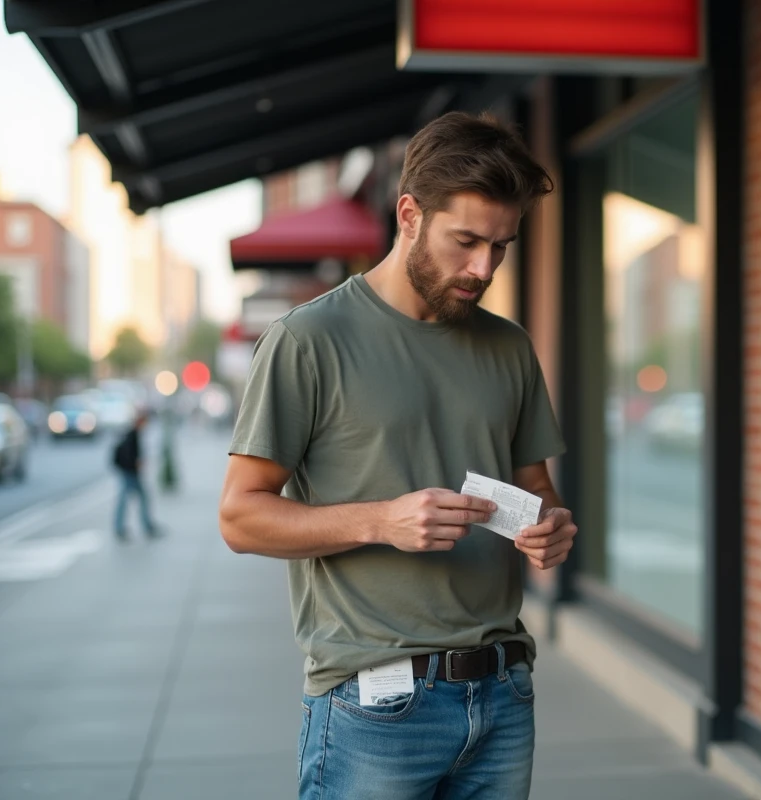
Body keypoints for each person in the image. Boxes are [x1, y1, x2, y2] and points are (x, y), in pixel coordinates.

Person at [219, 111, 577, 800]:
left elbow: (538, 489)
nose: (484, 268)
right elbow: (239, 518)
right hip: (374, 706)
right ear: (409, 213)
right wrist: (380, 521)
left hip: (503, 695)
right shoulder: (308, 341)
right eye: (466, 240)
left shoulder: (509, 347)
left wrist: (551, 527)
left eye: (501, 246)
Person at [112, 410, 159, 540]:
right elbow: (129, 455)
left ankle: (142, 526)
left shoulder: (134, 434)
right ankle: (122, 528)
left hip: (130, 472)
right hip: (130, 473)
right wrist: (136, 464)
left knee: (133, 499)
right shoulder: (132, 435)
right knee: (127, 500)